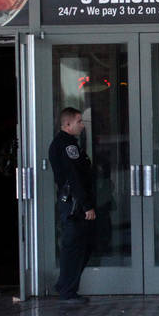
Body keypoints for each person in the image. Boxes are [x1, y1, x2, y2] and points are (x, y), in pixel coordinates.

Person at [49, 107, 96, 305]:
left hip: (72, 203)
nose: (83, 126)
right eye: (79, 122)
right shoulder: (68, 146)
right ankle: (67, 291)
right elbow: (74, 177)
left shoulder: (65, 144)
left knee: (79, 246)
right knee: (75, 247)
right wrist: (86, 205)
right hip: (75, 204)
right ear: (67, 124)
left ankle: (66, 287)